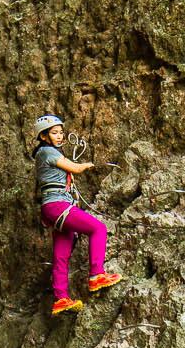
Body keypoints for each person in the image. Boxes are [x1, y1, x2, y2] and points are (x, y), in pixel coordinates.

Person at [31, 114, 120, 314]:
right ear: (43, 136)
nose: (60, 136)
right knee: (98, 228)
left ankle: (61, 298)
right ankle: (97, 275)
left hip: (52, 208)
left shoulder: (45, 154)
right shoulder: (47, 152)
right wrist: (88, 165)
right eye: (55, 133)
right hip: (58, 205)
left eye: (61, 132)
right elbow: (75, 168)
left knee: (61, 254)